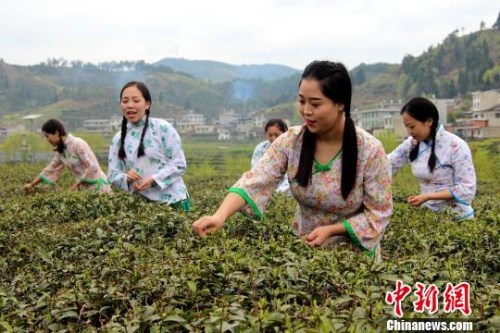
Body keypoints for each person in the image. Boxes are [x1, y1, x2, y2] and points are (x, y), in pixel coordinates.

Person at [193, 60, 392, 258]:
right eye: (302, 101)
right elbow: (255, 180)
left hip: (355, 265)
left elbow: (379, 212)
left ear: (340, 103)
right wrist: (219, 216)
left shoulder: (369, 150)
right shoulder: (291, 141)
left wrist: (333, 230)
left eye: (315, 103)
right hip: (304, 254)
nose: (306, 110)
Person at [388, 97, 476, 220]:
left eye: (412, 127)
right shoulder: (412, 143)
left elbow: (467, 188)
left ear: (429, 121)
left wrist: (429, 196)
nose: (409, 131)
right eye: (406, 126)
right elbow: (388, 163)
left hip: (457, 218)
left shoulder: (456, 145)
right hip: (428, 215)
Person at [107, 81, 190, 211]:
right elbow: (112, 174)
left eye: (135, 100)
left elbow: (179, 164)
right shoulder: (118, 138)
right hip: (141, 208)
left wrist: (153, 179)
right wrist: (125, 178)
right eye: (125, 101)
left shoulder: (162, 128)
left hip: (173, 202)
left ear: (147, 104)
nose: (130, 105)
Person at [24, 119, 111, 193]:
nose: (47, 140)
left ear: (57, 133)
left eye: (47, 136)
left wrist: (77, 185)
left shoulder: (78, 144)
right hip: (85, 189)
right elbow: (50, 169)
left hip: (99, 186)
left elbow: (93, 167)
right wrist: (31, 184)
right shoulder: (61, 151)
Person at [251, 118, 290, 194]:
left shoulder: (291, 149)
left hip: (286, 190)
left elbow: (290, 177)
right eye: (270, 135)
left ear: (285, 134)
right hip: (264, 188)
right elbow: (256, 171)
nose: (273, 138)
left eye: (277, 135)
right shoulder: (261, 148)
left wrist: (277, 193)